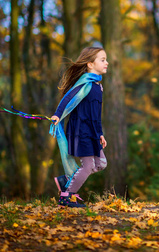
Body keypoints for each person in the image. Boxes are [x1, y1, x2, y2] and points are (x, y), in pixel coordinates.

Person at [50, 47, 109, 208]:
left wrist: (100, 134)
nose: (106, 63)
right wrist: (57, 114)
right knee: (88, 166)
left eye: (106, 59)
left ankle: (66, 181)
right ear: (90, 64)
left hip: (92, 132)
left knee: (101, 163)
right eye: (102, 60)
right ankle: (66, 197)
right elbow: (68, 97)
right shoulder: (84, 83)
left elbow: (96, 115)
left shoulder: (98, 86)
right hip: (80, 131)